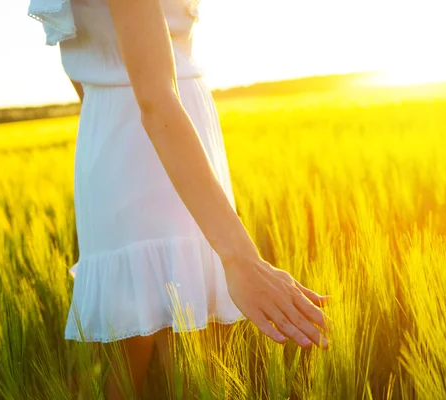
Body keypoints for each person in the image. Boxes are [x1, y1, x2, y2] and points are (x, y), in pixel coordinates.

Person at [28, 0, 331, 397]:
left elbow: (90, 62)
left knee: (125, 351)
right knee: (189, 360)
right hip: (160, 143)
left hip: (115, 136)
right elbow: (154, 97)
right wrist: (242, 258)